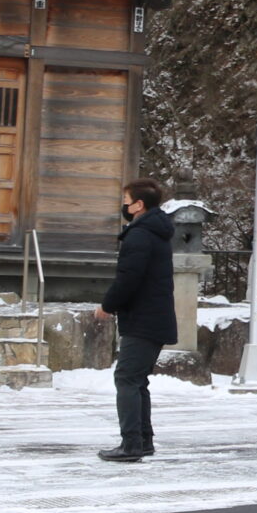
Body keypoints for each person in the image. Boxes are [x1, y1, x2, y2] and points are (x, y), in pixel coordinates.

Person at [96, 178, 175, 462]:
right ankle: (143, 440)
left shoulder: (140, 235)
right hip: (152, 315)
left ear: (139, 205)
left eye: (127, 201)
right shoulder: (154, 232)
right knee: (137, 380)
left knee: (127, 378)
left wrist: (108, 305)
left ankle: (131, 444)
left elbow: (129, 277)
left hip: (143, 317)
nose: (124, 206)